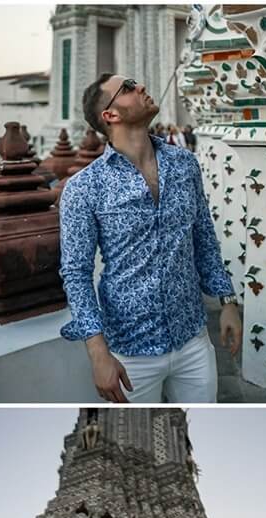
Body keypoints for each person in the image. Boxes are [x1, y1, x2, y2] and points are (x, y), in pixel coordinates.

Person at [58, 74, 242, 404]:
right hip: (130, 353)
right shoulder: (84, 188)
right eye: (127, 88)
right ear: (110, 116)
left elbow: (203, 236)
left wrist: (227, 301)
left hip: (192, 338)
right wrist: (98, 353)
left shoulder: (184, 164)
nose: (141, 87)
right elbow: (76, 273)